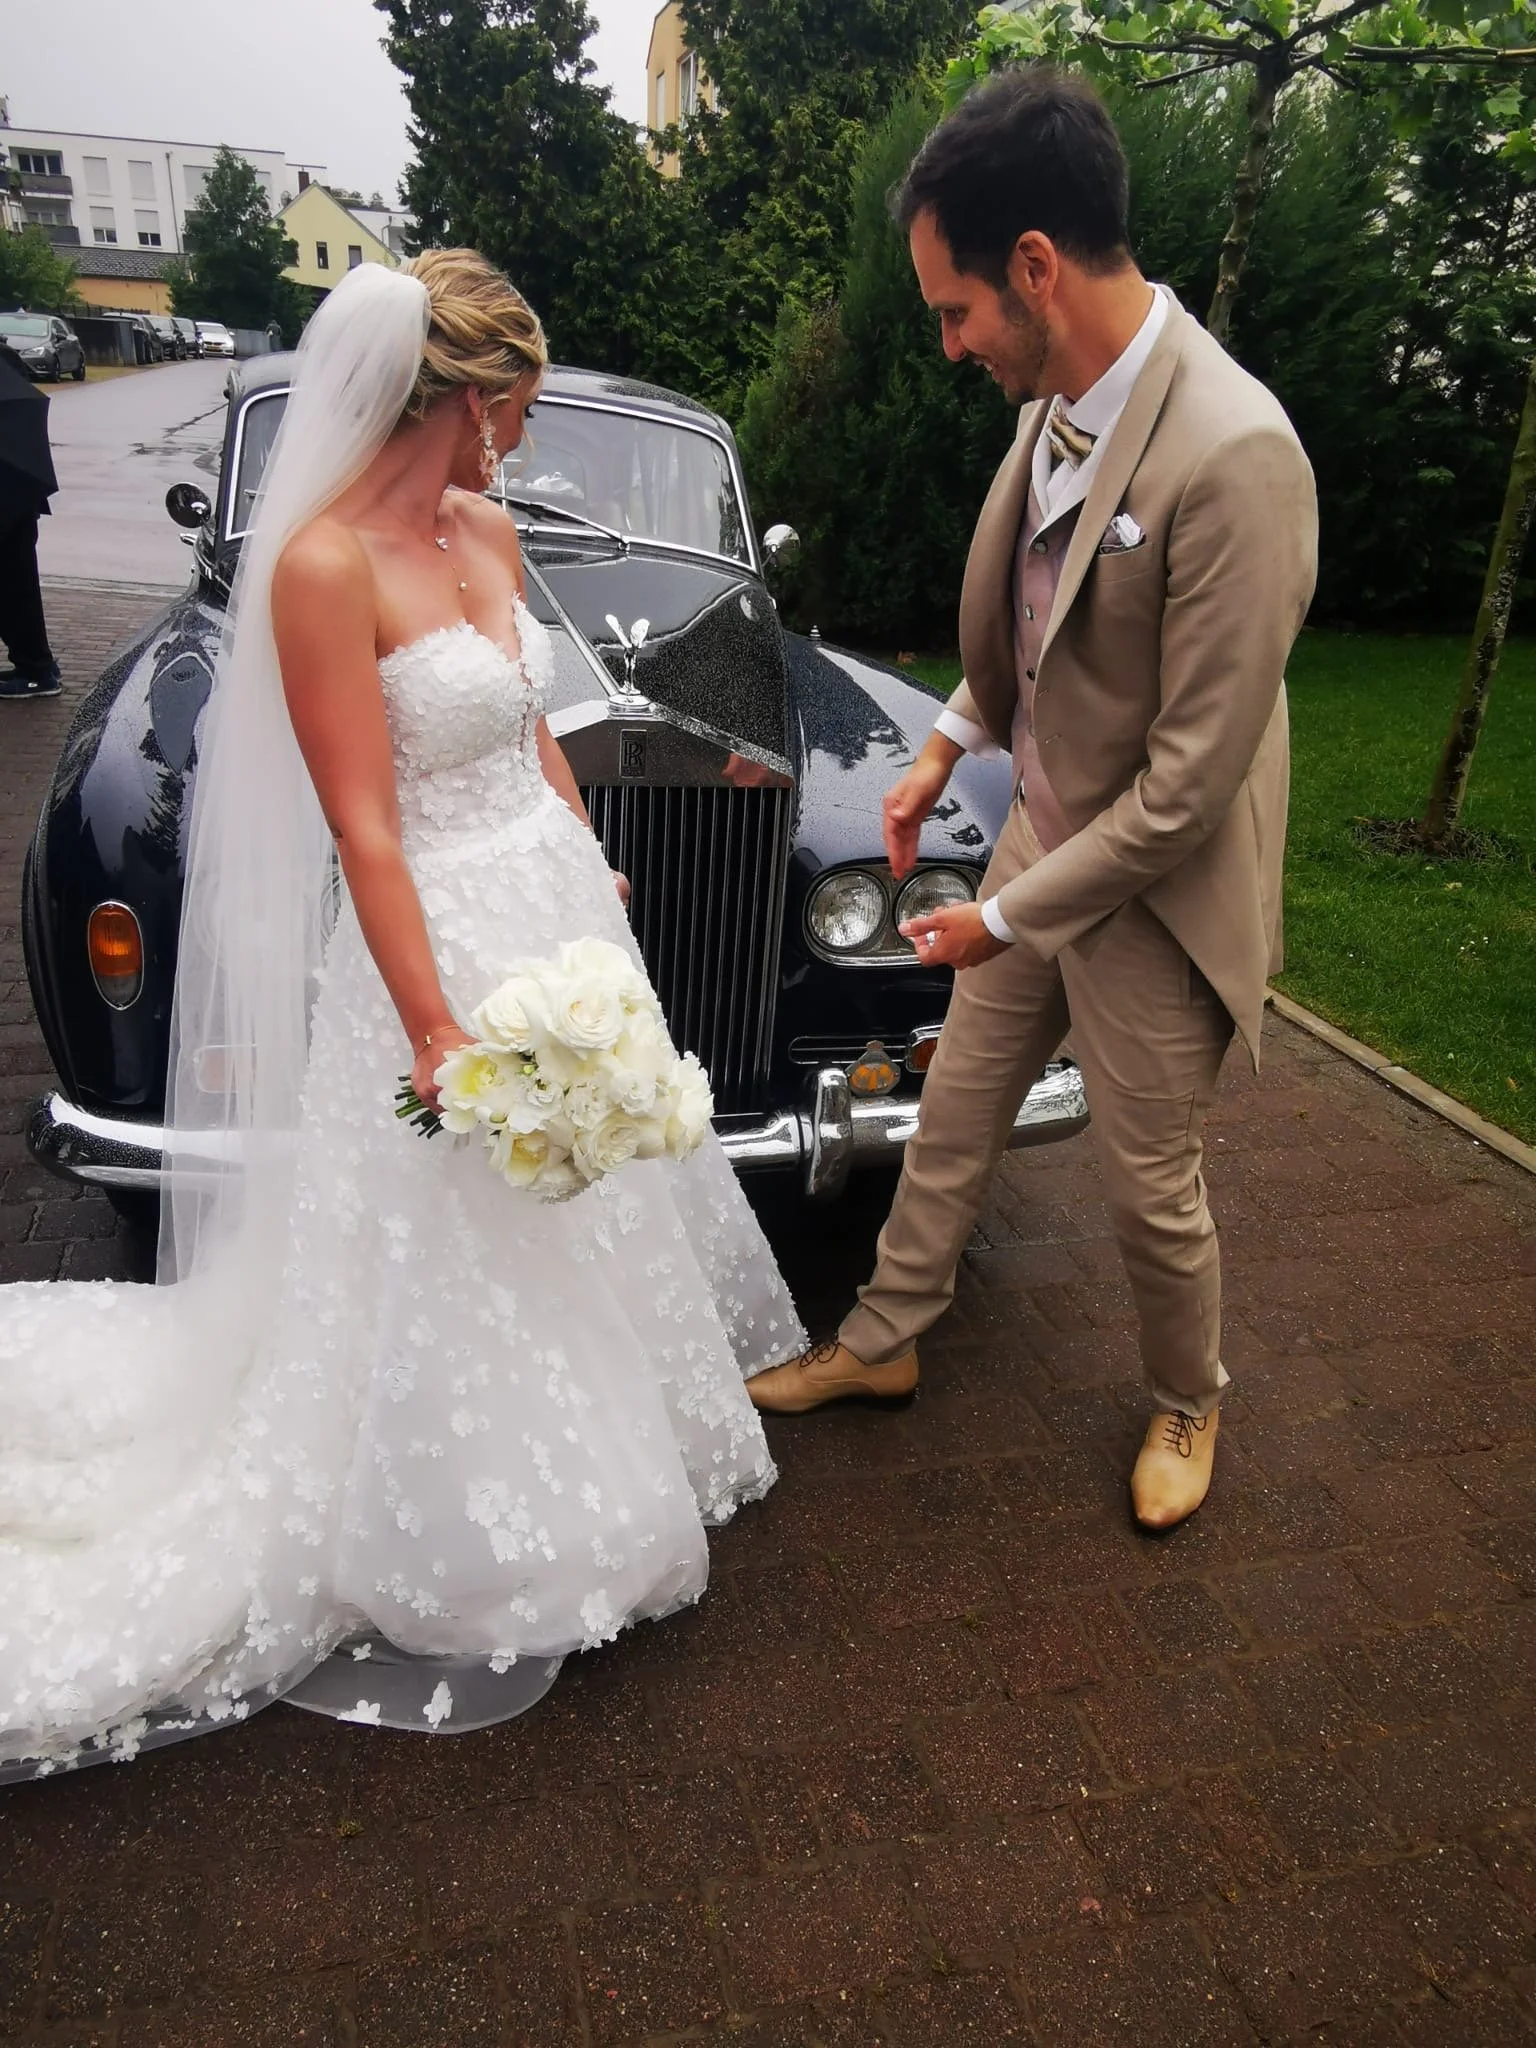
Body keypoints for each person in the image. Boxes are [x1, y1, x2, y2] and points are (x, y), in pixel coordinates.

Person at [0, 252, 804, 1781]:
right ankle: (473, 1510)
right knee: (459, 1227)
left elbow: (530, 721)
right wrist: (435, 1028)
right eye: (523, 406)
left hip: (553, 906)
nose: (528, 436)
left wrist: (590, 866)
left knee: (586, 1203)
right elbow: (366, 825)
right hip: (435, 928)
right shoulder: (324, 569)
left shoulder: (487, 531)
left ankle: (612, 1437)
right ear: (469, 398)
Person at [748, 69, 1318, 1533]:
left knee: (1147, 1180)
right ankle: (882, 1340)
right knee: (951, 1111)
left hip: (1157, 890)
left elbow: (1187, 790)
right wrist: (944, 747)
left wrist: (998, 917)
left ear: (1038, 268)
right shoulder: (1056, 400)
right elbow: (1045, 622)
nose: (948, 344)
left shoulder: (1239, 454)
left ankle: (1189, 1398)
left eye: (956, 310)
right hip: (1040, 832)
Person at [0, 336, 62, 700]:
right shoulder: (6, 361)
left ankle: (37, 670)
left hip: (9, 495)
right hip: (16, 491)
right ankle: (36, 665)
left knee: (15, 589)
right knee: (15, 587)